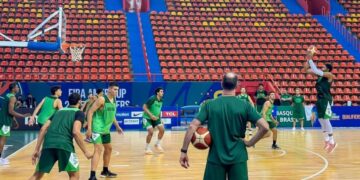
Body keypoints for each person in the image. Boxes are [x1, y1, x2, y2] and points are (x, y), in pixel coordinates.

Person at [179, 73, 269, 180]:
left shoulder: (209, 104)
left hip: (215, 157)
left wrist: (184, 151)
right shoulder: (245, 105)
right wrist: (250, 143)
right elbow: (265, 127)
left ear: (222, 84)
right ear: (237, 85)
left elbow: (192, 127)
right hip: (238, 157)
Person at [29, 93, 93, 180]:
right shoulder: (79, 113)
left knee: (37, 175)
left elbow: (43, 129)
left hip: (48, 145)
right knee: (74, 175)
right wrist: (86, 152)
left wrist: (36, 149)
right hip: (64, 145)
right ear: (79, 102)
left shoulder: (58, 111)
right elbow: (76, 132)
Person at [86, 82, 124, 180]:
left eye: (117, 90)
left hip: (106, 130)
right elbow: (90, 112)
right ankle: (92, 176)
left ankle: (105, 170)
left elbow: (112, 115)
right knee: (98, 150)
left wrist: (117, 126)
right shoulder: (102, 99)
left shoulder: (114, 100)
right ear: (109, 89)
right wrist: (89, 128)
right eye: (115, 89)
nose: (116, 91)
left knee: (109, 149)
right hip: (97, 129)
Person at [304, 46, 337, 153]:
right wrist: (308, 57)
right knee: (321, 120)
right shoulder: (319, 76)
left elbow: (315, 70)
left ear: (327, 69)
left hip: (326, 99)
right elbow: (306, 70)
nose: (322, 67)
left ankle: (332, 142)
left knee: (326, 119)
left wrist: (310, 58)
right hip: (320, 99)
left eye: (323, 67)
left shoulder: (329, 75)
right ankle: (327, 140)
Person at [0, 82, 30, 165]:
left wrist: (15, 120)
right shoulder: (13, 98)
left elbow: (8, 109)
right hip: (5, 121)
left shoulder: (8, 95)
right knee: (2, 140)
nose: (18, 88)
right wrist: (23, 116)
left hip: (2, 119)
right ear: (13, 89)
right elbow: (10, 111)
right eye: (17, 87)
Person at [142, 87, 165, 155]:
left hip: (156, 118)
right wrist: (151, 115)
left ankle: (157, 144)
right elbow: (144, 107)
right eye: (161, 91)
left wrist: (160, 119)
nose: (162, 93)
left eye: (163, 91)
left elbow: (159, 110)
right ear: (157, 93)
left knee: (162, 130)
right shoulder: (152, 98)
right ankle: (147, 148)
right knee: (151, 132)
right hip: (147, 118)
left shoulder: (161, 100)